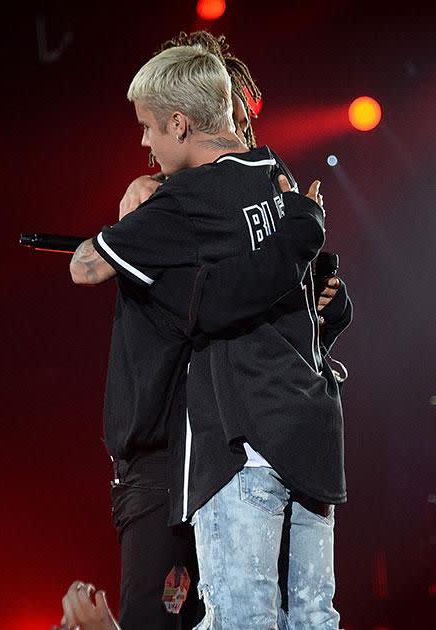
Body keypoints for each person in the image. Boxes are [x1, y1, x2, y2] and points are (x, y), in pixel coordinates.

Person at [70, 43, 351, 628]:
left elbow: (87, 266)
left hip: (237, 444)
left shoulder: (185, 200)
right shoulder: (282, 183)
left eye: (148, 127)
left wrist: (137, 215)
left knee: (239, 618)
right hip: (310, 434)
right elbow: (313, 307)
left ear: (180, 122)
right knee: (312, 618)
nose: (144, 144)